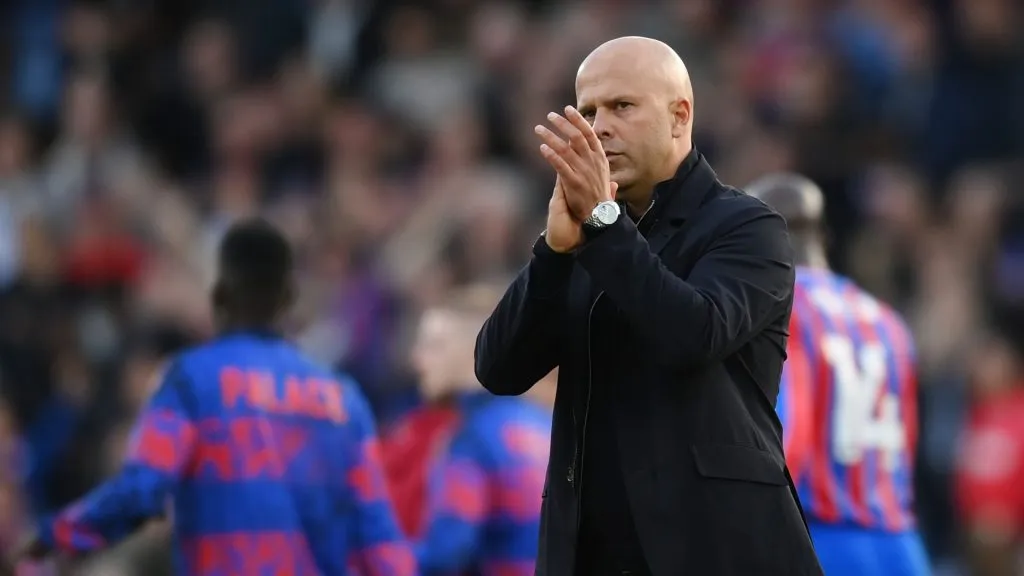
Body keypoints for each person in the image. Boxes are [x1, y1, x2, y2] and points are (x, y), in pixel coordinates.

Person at [475, 36, 821, 576]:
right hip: (590, 550)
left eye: (622, 106)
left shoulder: (748, 227)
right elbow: (497, 369)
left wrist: (604, 226)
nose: (599, 126)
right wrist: (553, 254)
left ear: (680, 116)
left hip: (716, 547)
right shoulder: (587, 236)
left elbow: (695, 332)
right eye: (587, 111)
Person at [2, 219, 415, 575]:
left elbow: (142, 491)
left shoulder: (191, 382)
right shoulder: (342, 399)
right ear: (288, 300)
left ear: (219, 297)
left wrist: (56, 534)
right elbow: (376, 534)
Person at [748, 173, 930, 576]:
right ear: (823, 234)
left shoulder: (778, 310)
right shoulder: (887, 322)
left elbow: (785, 440)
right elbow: (908, 441)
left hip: (819, 542)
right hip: (900, 544)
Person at [410, 284, 553, 575]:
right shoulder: (545, 422)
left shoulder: (472, 440)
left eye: (435, 345)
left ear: (471, 349)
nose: (417, 359)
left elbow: (447, 553)